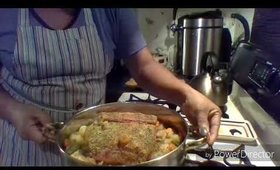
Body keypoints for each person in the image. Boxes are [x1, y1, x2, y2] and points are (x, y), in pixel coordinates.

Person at [0, 8, 222, 166]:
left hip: (100, 148)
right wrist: (13, 111)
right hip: (26, 145)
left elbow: (143, 67)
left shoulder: (111, 10)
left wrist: (186, 95)